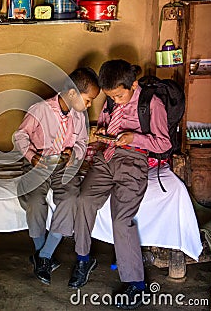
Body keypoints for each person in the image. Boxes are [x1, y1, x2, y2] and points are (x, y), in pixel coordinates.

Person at [68, 59, 172, 309]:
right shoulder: (112, 99)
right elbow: (105, 122)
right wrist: (102, 134)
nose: (116, 100)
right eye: (111, 96)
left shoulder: (151, 104)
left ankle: (136, 285)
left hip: (134, 159)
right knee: (83, 200)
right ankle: (83, 258)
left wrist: (134, 137)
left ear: (133, 84)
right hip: (108, 156)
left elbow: (164, 144)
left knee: (121, 218)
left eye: (119, 95)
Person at [13, 67, 100, 285]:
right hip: (38, 164)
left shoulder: (79, 116)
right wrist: (32, 156)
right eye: (88, 100)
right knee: (34, 200)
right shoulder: (40, 110)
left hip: (62, 166)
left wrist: (73, 153)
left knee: (70, 199)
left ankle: (43, 256)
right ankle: (42, 253)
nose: (89, 106)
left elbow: (81, 142)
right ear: (72, 93)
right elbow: (20, 135)